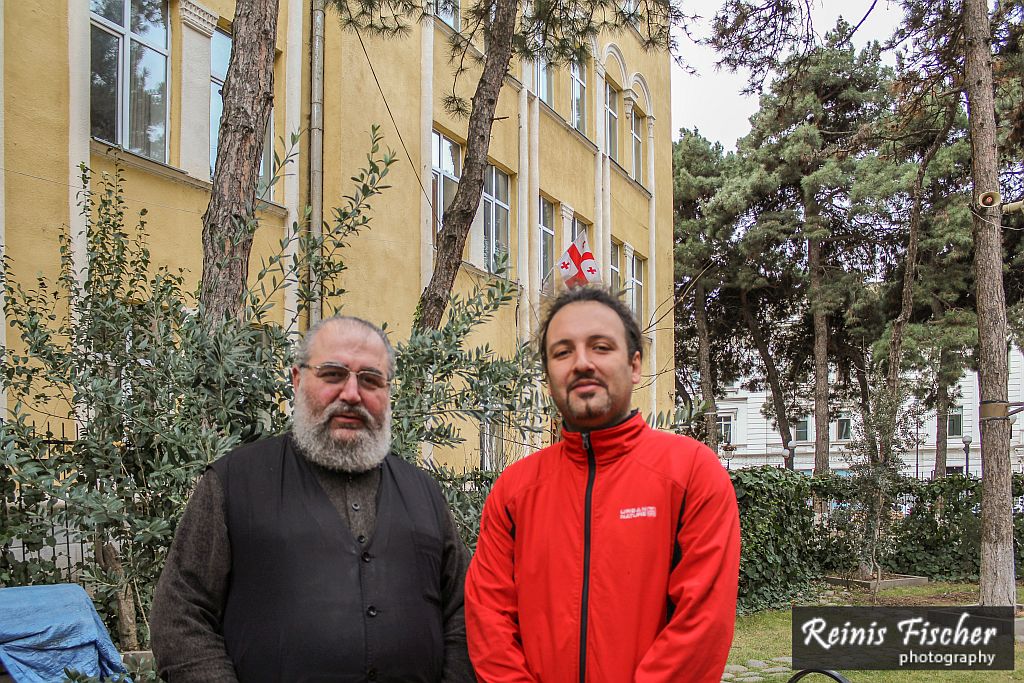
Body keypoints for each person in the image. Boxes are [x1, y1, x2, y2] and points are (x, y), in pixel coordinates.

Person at [151, 316, 474, 683]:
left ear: (387, 392)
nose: (352, 394)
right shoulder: (232, 483)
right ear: (297, 379)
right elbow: (181, 615)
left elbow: (463, 614)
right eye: (333, 374)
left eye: (370, 380)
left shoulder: (425, 494)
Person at [464, 286, 741, 682]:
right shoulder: (514, 490)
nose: (581, 363)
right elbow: (488, 619)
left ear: (634, 365)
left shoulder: (691, 473)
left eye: (601, 347)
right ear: (548, 375)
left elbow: (703, 623)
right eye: (562, 352)